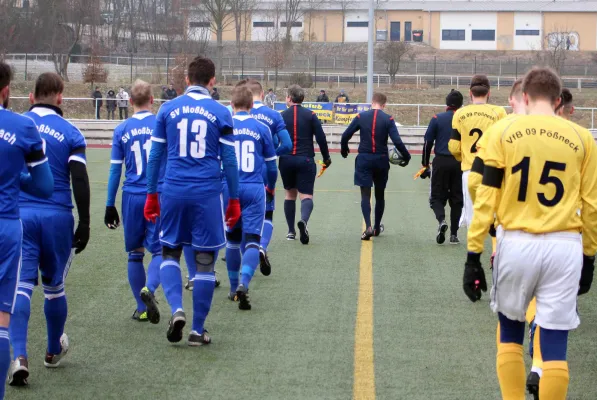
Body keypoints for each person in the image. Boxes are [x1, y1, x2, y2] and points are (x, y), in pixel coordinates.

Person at [463, 67, 597, 400]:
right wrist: (589, 256)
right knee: (554, 346)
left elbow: (485, 196)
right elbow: (591, 206)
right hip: (564, 247)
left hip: (516, 241)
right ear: (557, 101)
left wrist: (473, 252)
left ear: (524, 97)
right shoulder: (583, 138)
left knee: (510, 333)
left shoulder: (503, 131)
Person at [143, 56, 240, 346]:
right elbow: (230, 161)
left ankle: (177, 309)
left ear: (186, 80)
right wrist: (233, 199)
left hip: (173, 190)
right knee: (205, 261)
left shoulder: (167, 109)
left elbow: (155, 156)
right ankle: (198, 330)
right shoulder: (221, 112)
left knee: (170, 252)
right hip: (207, 193)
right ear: (213, 81)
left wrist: (151, 194)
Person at [8, 72, 89, 387]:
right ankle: (53, 350)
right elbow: (79, 178)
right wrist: (85, 221)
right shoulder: (70, 131)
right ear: (60, 97)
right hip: (57, 215)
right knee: (54, 287)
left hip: (20, 214)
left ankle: (19, 355)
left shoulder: (15, 126)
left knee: (21, 286)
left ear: (31, 97)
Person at [0, 62, 54, 395]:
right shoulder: (22, 126)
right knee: (1, 323)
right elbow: (45, 187)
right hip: (5, 227)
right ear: (6, 91)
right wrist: (15, 178)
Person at [104, 80, 165, 324]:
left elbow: (114, 172)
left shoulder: (121, 129)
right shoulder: (161, 125)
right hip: (157, 194)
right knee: (161, 250)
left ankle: (141, 308)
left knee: (134, 253)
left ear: (129, 102)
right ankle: (149, 288)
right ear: (152, 100)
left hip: (131, 195)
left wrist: (110, 204)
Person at [227, 79, 291, 276]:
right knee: (266, 214)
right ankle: (260, 247)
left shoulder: (231, 116)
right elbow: (287, 144)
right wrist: (270, 154)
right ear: (262, 94)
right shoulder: (272, 115)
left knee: (235, 225)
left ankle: (241, 259)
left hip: (234, 172)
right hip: (262, 170)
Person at [226, 85, 278, 309]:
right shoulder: (261, 127)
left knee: (232, 239)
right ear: (251, 106)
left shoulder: (225, 126)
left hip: (229, 188)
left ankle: (232, 287)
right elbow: (272, 167)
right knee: (252, 240)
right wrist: (271, 187)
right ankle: (244, 284)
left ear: (232, 105)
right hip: (254, 187)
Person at [448, 74, 506, 256]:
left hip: (470, 169)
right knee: (499, 213)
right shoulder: (499, 112)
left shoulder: (460, 114)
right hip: (494, 169)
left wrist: (462, 157)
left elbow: (453, 146)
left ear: (470, 93)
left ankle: (474, 254)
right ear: (489, 92)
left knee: (473, 215)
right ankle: (499, 250)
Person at [341, 93, 410, 239]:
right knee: (380, 195)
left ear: (372, 102)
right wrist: (407, 156)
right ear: (384, 105)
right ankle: (377, 228)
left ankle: (368, 227)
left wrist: (344, 148)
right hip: (381, 160)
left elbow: (345, 135)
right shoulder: (388, 119)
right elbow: (397, 141)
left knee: (365, 195)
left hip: (364, 159)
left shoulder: (361, 117)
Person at [280, 85, 331, 244]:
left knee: (290, 194)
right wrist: (326, 158)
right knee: (306, 196)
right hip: (306, 159)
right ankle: (303, 221)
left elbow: (274, 138)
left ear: (289, 98)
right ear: (302, 99)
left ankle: (290, 231)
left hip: (286, 160)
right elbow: (321, 138)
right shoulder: (310, 115)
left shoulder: (282, 116)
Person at [420, 89, 464, 244]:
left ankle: (441, 221)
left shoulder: (437, 118)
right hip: (460, 162)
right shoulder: (464, 120)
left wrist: (425, 164)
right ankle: (454, 234)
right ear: (461, 104)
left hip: (441, 161)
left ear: (446, 103)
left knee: (437, 197)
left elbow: (427, 143)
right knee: (457, 199)